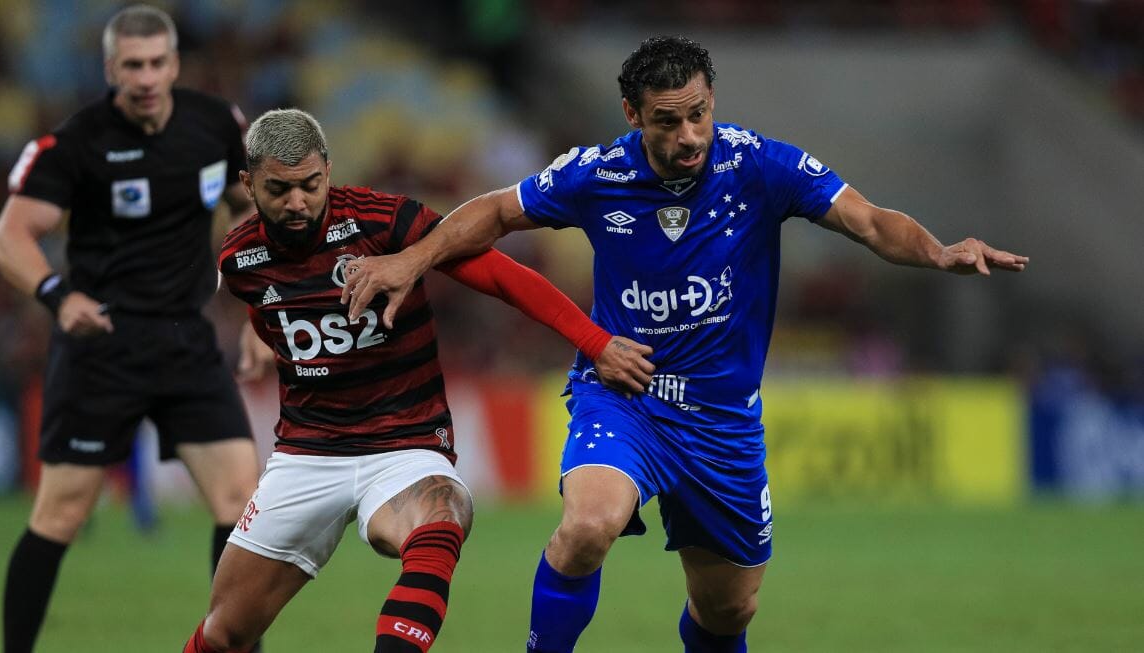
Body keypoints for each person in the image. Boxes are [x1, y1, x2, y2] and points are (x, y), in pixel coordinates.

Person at [341, 35, 1029, 653]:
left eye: (698, 112)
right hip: (626, 398)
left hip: (724, 422)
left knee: (728, 609)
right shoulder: (596, 174)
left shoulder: (760, 166)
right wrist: (413, 259)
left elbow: (870, 222)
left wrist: (937, 252)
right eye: (668, 120)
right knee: (589, 525)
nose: (690, 133)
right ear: (632, 114)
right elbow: (494, 211)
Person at [181, 108, 652, 653]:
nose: (297, 202)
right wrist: (254, 333)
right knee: (225, 632)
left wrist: (594, 343)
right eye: (279, 189)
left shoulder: (383, 223)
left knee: (444, 512)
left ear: (328, 172)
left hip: (405, 444)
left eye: (310, 185)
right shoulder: (240, 259)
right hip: (306, 453)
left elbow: (501, 275)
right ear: (248, 184)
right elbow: (272, 304)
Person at [0, 6, 262, 652]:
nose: (145, 77)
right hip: (100, 346)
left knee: (242, 505)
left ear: (175, 65)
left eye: (157, 63)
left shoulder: (215, 126)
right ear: (111, 69)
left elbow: (251, 212)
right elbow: (9, 237)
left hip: (186, 338)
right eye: (132, 65)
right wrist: (57, 295)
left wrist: (260, 314)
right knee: (59, 514)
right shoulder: (77, 142)